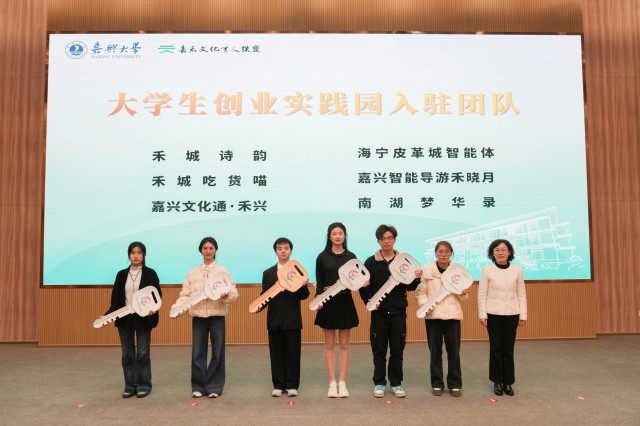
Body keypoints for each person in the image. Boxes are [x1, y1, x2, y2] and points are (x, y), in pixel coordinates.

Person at [170, 236, 239, 398]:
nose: (208, 251)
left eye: (211, 248)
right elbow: (185, 295)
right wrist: (176, 310)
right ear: (201, 250)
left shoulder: (223, 271)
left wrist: (226, 296)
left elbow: (234, 294)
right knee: (197, 353)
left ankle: (214, 387)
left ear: (215, 250)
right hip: (198, 318)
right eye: (205, 248)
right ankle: (198, 387)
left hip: (217, 317)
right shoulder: (192, 273)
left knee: (217, 353)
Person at [359, 225, 422, 398]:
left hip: (398, 312)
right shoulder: (370, 262)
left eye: (389, 238)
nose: (386, 241)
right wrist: (369, 300)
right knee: (378, 350)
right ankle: (379, 383)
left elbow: (409, 286)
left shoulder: (403, 261)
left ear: (394, 239)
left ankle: (396, 383)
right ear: (378, 241)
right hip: (378, 314)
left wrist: (416, 278)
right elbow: (364, 287)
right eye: (383, 238)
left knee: (397, 350)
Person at [314, 222, 366, 398]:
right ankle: (332, 382)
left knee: (344, 345)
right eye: (334, 233)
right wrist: (319, 299)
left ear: (345, 236)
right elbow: (320, 282)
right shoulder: (322, 257)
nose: (337, 236)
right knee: (329, 345)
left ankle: (342, 383)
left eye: (340, 233)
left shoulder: (351, 257)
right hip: (327, 303)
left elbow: (356, 280)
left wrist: (362, 282)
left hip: (345, 301)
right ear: (329, 236)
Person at [105, 241, 161, 398]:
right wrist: (107, 315)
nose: (136, 256)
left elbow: (156, 295)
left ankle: (144, 385)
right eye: (133, 252)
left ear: (144, 255)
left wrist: (153, 309)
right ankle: (130, 385)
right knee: (127, 353)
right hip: (124, 319)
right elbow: (115, 299)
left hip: (144, 319)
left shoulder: (151, 273)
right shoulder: (121, 274)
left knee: (142, 353)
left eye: (139, 253)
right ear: (129, 255)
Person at [256, 237, 310, 397]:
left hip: (292, 320)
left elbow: (304, 296)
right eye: (279, 248)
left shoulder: (298, 270)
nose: (283, 251)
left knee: (293, 354)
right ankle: (278, 385)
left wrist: (303, 286)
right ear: (275, 252)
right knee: (276, 354)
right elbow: (265, 295)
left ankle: (292, 385)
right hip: (274, 320)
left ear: (290, 251)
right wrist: (259, 306)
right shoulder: (268, 273)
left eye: (286, 248)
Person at [416, 241, 469, 397]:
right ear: (436, 253)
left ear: (451, 253)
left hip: (453, 316)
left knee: (454, 352)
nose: (443, 254)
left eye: (446, 251)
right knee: (435, 352)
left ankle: (455, 384)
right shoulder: (427, 270)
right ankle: (437, 384)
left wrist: (463, 293)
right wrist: (425, 306)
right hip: (433, 317)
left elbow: (463, 298)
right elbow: (420, 293)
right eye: (440, 251)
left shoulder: (457, 271)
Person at [478, 239, 527, 397]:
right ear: (492, 253)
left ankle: (508, 382)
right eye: (497, 250)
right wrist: (482, 314)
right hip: (493, 314)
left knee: (508, 349)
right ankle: (497, 381)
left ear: (509, 252)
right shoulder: (487, 270)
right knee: (496, 348)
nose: (500, 252)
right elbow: (482, 294)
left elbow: (521, 293)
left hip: (512, 313)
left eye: (503, 250)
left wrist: (523, 314)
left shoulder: (517, 269)